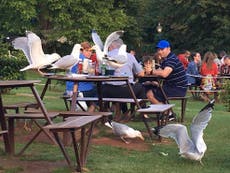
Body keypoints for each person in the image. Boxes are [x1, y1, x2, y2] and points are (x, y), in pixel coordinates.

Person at [102, 38, 146, 120]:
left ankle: (109, 112)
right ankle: (141, 113)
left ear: (111, 45)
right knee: (141, 87)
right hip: (126, 91)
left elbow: (99, 72)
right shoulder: (130, 56)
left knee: (103, 88)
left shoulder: (105, 56)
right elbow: (141, 73)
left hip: (108, 91)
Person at [147, 40, 188, 120]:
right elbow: (159, 71)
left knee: (149, 93)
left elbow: (164, 73)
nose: (159, 52)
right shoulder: (167, 60)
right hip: (174, 87)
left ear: (169, 49)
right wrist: (152, 77)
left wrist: (151, 71)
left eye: (162, 49)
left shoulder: (171, 59)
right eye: (158, 49)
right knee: (150, 87)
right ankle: (166, 112)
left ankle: (168, 113)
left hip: (178, 89)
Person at [65, 41, 97, 112]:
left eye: (91, 51)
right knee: (101, 92)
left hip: (68, 89)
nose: (89, 53)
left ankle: (88, 111)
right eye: (87, 50)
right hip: (81, 89)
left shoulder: (72, 58)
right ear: (81, 50)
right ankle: (89, 113)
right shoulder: (85, 60)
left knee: (94, 91)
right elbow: (89, 75)